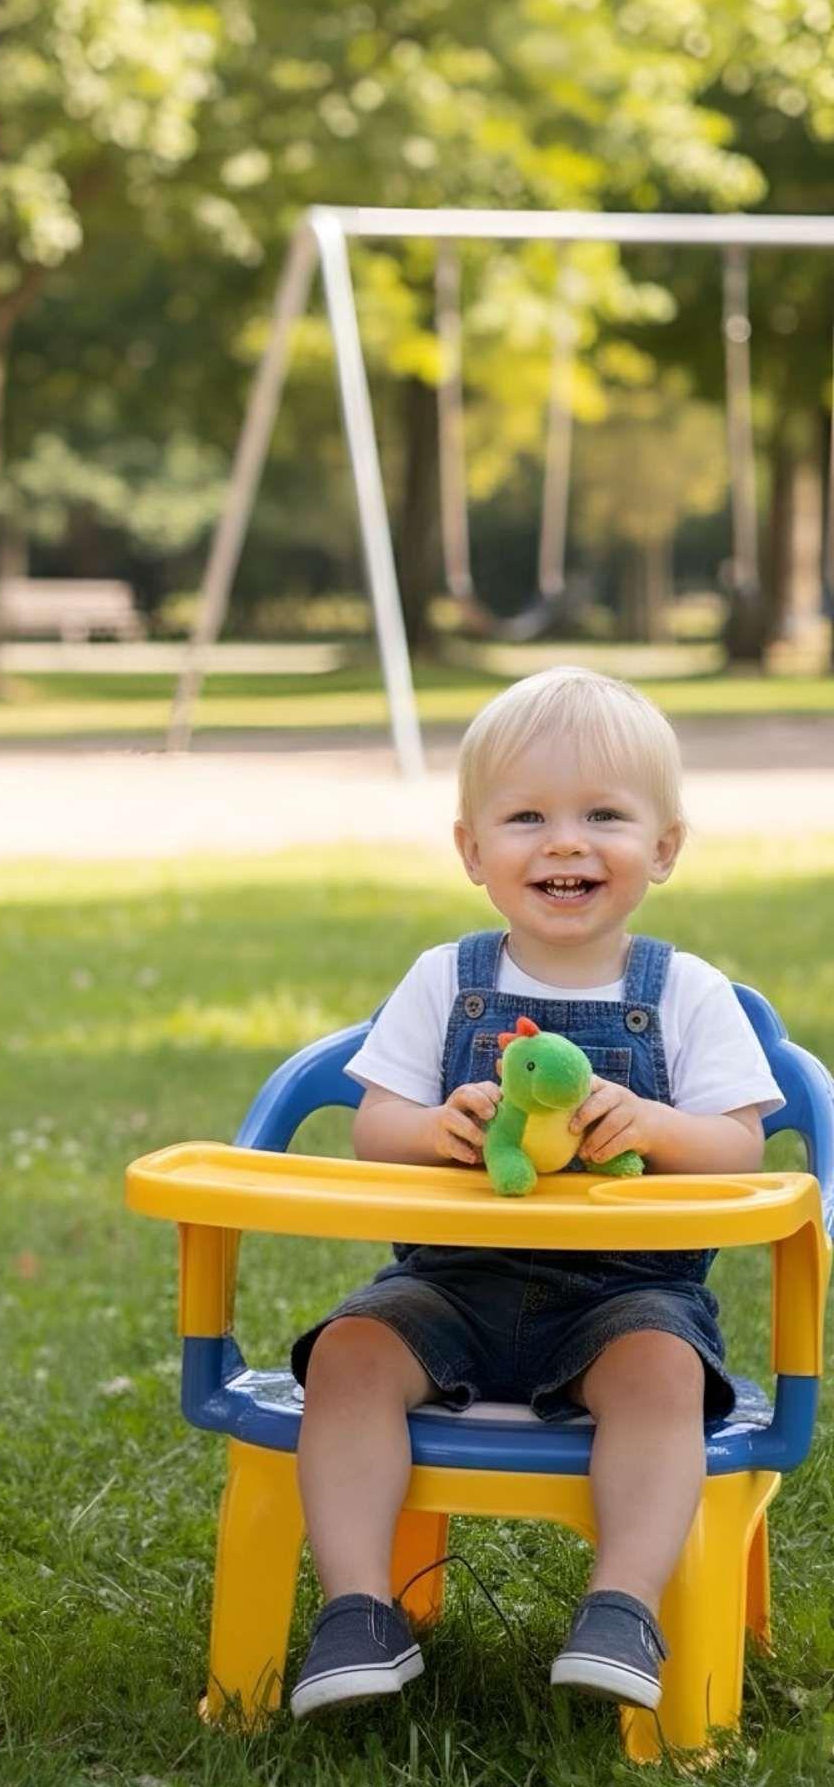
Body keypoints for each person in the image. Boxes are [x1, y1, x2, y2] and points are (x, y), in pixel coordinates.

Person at [287, 667, 782, 1722]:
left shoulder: (686, 992)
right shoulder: (442, 979)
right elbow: (373, 1129)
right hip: (449, 1286)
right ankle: (358, 1609)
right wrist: (436, 1126)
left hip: (623, 1299)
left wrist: (646, 1122)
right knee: (347, 1352)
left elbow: (740, 1149)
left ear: (664, 847)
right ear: (472, 850)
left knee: (660, 1375)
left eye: (603, 814)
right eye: (526, 817)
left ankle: (622, 1604)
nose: (564, 842)